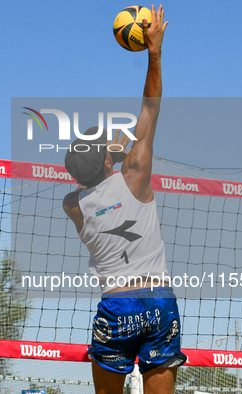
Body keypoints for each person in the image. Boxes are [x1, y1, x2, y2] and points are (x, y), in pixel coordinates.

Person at [62, 5, 185, 394]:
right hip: (157, 302)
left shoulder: (73, 205)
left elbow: (86, 181)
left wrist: (106, 157)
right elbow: (151, 106)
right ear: (105, 159)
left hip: (116, 308)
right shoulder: (134, 174)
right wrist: (154, 51)